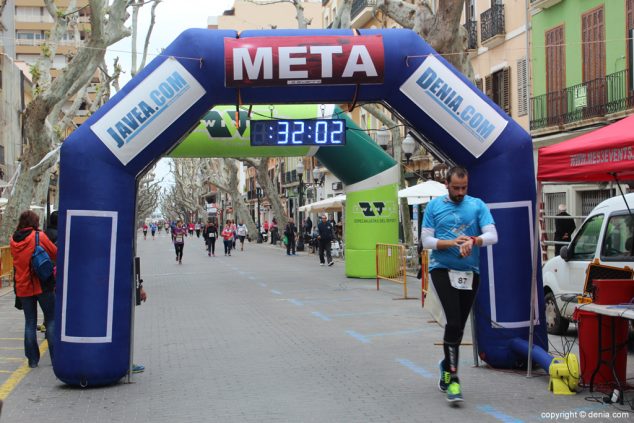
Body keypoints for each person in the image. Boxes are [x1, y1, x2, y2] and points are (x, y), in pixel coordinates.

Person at [421, 166, 498, 403]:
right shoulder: (434, 207)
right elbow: (426, 241)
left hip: (469, 272)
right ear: (446, 184)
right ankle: (453, 380)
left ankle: (445, 364)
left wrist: (474, 240)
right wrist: (452, 243)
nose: (461, 192)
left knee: (458, 327)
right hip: (442, 269)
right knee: (453, 321)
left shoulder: (477, 205)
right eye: (456, 188)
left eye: (464, 187)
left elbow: (493, 236)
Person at [10, 210, 57, 369]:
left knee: (30, 322)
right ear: (34, 222)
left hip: (23, 286)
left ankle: (32, 360)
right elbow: (55, 253)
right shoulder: (39, 236)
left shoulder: (13, 240)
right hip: (42, 284)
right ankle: (55, 356)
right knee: (51, 319)